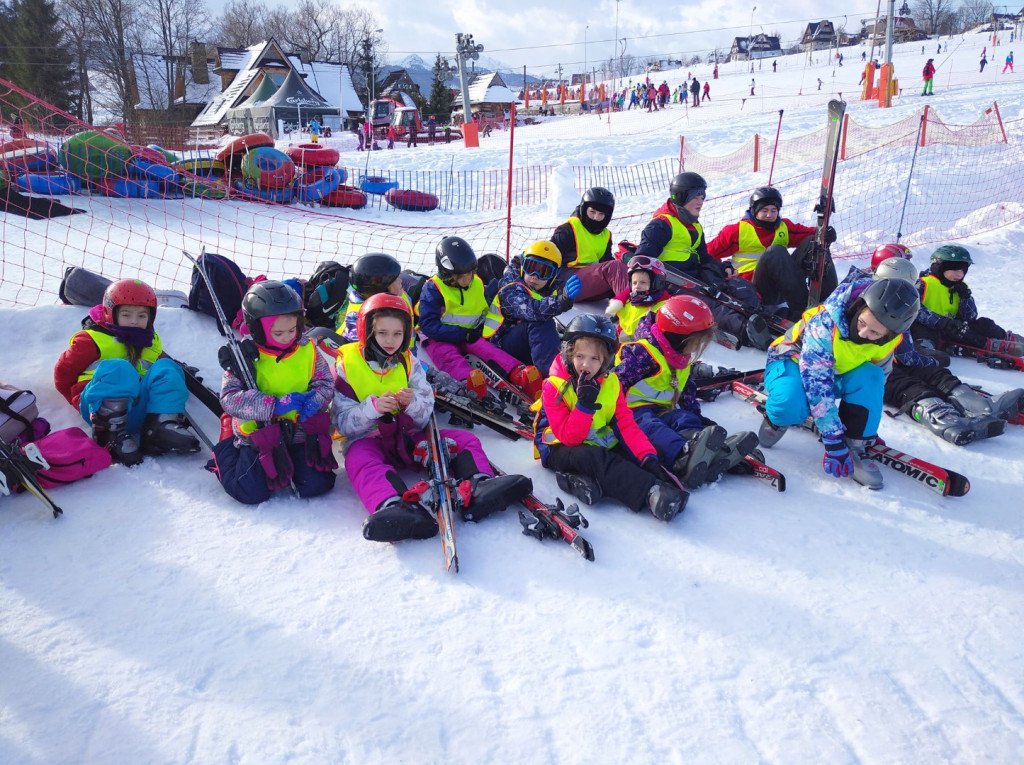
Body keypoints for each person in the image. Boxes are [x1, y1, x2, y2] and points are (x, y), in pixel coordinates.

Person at [333, 294, 531, 542]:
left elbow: (425, 409)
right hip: (368, 439)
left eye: (397, 334)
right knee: (359, 460)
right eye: (382, 333)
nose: (390, 341)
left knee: (465, 441)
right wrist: (372, 408)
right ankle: (394, 506)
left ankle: (479, 485)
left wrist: (411, 404)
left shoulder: (408, 362)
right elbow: (342, 422)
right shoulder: (347, 366)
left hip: (408, 437)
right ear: (367, 331)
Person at [759, 277, 922, 489]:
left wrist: (864, 426)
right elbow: (817, 384)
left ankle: (855, 443)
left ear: (890, 334)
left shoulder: (889, 340)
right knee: (789, 404)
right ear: (859, 307)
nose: (863, 333)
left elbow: (877, 381)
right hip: (792, 362)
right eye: (862, 323)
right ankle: (778, 418)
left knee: (872, 375)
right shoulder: (825, 323)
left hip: (836, 371)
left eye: (874, 332)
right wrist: (833, 437)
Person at [533, 314, 688, 521]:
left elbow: (626, 426)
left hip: (593, 440)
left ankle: (655, 482)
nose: (586, 365)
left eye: (595, 359)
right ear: (568, 353)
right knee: (594, 457)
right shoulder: (553, 386)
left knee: (628, 451)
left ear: (605, 361)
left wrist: (648, 459)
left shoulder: (611, 383)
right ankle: (650, 493)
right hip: (558, 447)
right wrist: (584, 405)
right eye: (580, 356)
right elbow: (570, 438)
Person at [863, 254, 1022, 445]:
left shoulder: (897, 306)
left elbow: (906, 352)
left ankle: (977, 404)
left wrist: (930, 362)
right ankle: (941, 417)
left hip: (888, 355)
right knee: (899, 381)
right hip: (860, 364)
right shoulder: (859, 302)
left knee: (930, 371)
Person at [209, 281, 337, 504]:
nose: (287, 337)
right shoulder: (243, 358)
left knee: (317, 484)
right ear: (257, 328)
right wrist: (274, 405)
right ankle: (226, 449)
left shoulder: (306, 349)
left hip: (298, 430)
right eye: (278, 332)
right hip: (259, 434)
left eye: (292, 329)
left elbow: (325, 382)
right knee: (251, 492)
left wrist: (315, 400)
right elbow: (229, 398)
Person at [615, 296, 759, 489]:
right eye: (696, 343)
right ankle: (681, 458)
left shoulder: (679, 356)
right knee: (653, 427)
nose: (697, 348)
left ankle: (705, 449)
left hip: (662, 409)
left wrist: (697, 417)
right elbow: (616, 382)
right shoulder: (643, 354)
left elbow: (687, 389)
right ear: (677, 337)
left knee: (685, 418)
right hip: (631, 412)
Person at [54, 278, 200, 465]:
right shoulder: (91, 340)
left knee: (168, 367)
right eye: (126, 314)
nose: (134, 321)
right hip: (101, 411)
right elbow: (62, 374)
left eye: (142, 316)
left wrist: (180, 372)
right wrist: (81, 402)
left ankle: (159, 427)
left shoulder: (151, 340)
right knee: (120, 368)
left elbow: (159, 367)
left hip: (139, 409)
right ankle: (108, 436)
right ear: (110, 313)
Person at [634, 172, 770, 349]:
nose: (700, 202)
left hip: (696, 277)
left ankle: (762, 315)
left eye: (702, 198)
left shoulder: (695, 226)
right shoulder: (660, 225)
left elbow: (704, 257)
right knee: (708, 304)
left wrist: (722, 267)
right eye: (695, 197)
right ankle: (745, 330)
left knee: (739, 286)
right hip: (673, 282)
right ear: (680, 197)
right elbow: (642, 259)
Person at [416, 236, 542, 401]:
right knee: (448, 356)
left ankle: (519, 373)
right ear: (447, 274)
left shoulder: (476, 283)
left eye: (469, 273)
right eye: (461, 276)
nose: (467, 279)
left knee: (488, 349)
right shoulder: (433, 288)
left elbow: (484, 306)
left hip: (470, 334)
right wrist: (462, 334)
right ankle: (468, 381)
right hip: (438, 338)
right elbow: (428, 325)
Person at [707, 186, 837, 322]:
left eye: (773, 210)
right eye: (764, 210)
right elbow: (707, 253)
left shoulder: (783, 227)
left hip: (783, 287)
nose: (769, 215)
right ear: (754, 210)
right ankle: (804, 310)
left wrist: (825, 234)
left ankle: (830, 302)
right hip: (755, 291)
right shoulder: (736, 231)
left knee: (813, 242)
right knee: (775, 251)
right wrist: (724, 267)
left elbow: (811, 235)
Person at [486, 241, 581, 374]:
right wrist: (561, 301)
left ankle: (573, 367)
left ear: (553, 275)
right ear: (522, 265)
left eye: (543, 271)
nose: (535, 276)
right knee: (541, 322)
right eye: (531, 267)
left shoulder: (545, 289)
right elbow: (532, 309)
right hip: (498, 346)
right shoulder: (510, 288)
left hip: (522, 342)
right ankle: (554, 376)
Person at [911, 245, 1024, 358]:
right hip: (931, 328)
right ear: (939, 267)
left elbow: (970, 317)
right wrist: (942, 322)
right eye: (955, 269)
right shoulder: (922, 284)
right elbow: (913, 310)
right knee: (921, 330)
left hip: (954, 329)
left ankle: (1006, 338)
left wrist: (965, 297)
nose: (959, 274)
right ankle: (925, 349)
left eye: (963, 270)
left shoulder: (960, 286)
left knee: (984, 323)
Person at [549, 187, 629, 302]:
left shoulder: (606, 235)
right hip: (566, 284)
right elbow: (548, 259)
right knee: (615, 267)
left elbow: (606, 263)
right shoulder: (568, 230)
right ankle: (631, 309)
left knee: (627, 271)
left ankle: (643, 304)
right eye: (592, 212)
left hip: (586, 283)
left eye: (601, 214)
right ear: (584, 208)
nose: (596, 218)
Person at [337, 253, 408, 342]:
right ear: (382, 289)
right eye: (396, 279)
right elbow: (360, 347)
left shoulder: (395, 297)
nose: (401, 281)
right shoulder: (361, 318)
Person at [605, 255, 670, 340]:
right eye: (634, 283)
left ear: (657, 283)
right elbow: (622, 327)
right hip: (623, 345)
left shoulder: (663, 309)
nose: (637, 286)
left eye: (643, 282)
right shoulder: (628, 303)